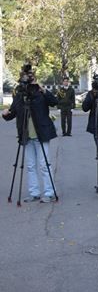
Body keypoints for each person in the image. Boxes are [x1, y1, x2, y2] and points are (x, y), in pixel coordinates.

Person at [2, 66, 58, 203]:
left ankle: (49, 192)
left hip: (41, 135)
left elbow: (54, 102)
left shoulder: (40, 92)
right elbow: (13, 113)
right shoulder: (20, 95)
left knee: (44, 165)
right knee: (30, 166)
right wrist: (5, 114)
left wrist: (43, 90)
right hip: (26, 136)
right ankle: (34, 193)